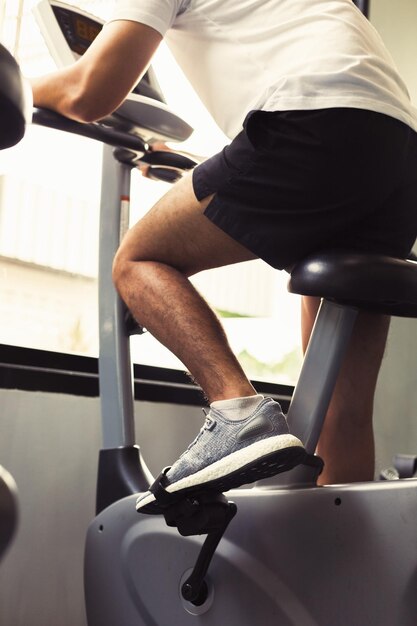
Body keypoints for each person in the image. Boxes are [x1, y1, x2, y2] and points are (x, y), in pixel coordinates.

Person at [31, 0, 417, 512]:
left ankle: (237, 412)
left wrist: (18, 88)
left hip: (310, 121)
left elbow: (89, 90)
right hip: (397, 151)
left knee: (138, 261)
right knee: (340, 410)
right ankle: (337, 585)